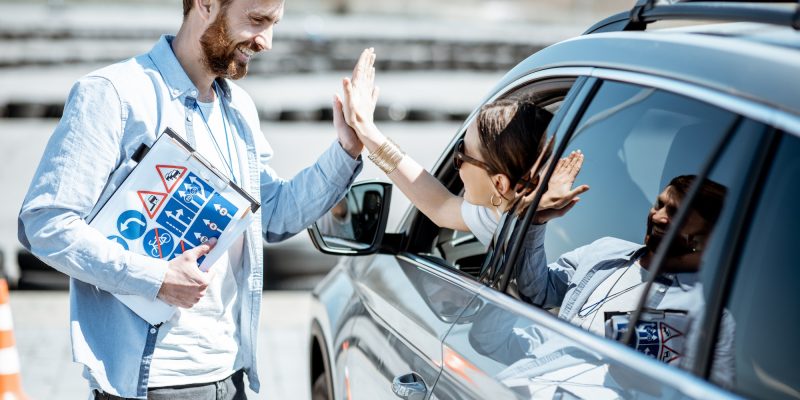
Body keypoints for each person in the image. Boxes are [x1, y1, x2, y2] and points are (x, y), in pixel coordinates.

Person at [17, 0, 364, 398]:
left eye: (274, 24)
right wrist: (157, 279)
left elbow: (274, 215)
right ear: (205, 4)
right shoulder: (113, 96)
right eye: (256, 20)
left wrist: (347, 150)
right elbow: (46, 223)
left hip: (229, 375)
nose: (266, 41)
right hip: (152, 384)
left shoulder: (239, 110)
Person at [338, 48, 589, 247]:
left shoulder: (519, 224)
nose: (457, 166)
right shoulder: (498, 211)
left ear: (500, 184)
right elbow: (439, 205)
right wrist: (366, 130)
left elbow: (440, 205)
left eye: (462, 155)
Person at [513, 175, 734, 387]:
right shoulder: (605, 251)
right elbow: (537, 290)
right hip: (532, 384)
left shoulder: (709, 318)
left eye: (676, 213)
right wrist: (537, 220)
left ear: (707, 238)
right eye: (659, 204)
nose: (657, 216)